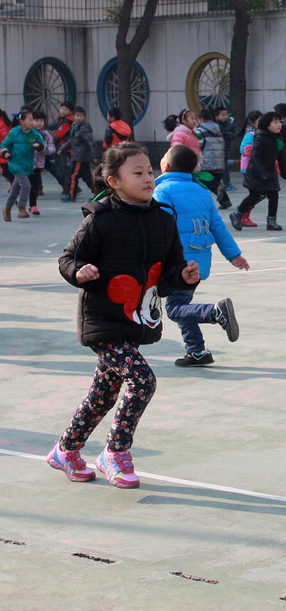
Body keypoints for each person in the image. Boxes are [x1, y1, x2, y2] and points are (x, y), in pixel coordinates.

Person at [49, 142, 200, 488]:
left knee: (103, 392)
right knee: (143, 380)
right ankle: (115, 452)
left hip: (136, 318)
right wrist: (78, 271)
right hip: (102, 320)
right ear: (113, 181)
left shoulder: (163, 219)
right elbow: (67, 258)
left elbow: (170, 269)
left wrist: (183, 276)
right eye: (138, 173)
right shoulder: (100, 220)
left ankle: (66, 450)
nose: (148, 178)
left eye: (150, 171)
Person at [153, 145, 248, 366]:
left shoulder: (163, 191)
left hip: (179, 264)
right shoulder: (203, 192)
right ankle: (197, 351)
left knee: (175, 309)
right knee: (183, 305)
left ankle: (215, 312)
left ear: (165, 166)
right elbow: (218, 227)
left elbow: (162, 227)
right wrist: (233, 255)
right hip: (200, 261)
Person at [229, 111, 286, 232]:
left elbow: (282, 159)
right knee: (254, 196)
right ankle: (237, 214)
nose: (279, 125)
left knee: (274, 195)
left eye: (279, 122)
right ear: (267, 125)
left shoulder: (277, 138)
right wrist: (262, 173)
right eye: (275, 122)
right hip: (256, 173)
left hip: (270, 172)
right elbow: (255, 157)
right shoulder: (260, 137)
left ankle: (271, 221)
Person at [1, 108, 45, 221]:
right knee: (26, 186)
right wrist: (5, 152)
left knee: (15, 189)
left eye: (33, 120)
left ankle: (6, 208)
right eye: (30, 120)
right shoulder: (14, 132)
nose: (32, 122)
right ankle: (22, 208)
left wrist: (40, 146)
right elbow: (4, 145)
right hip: (16, 164)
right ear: (22, 121)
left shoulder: (34, 133)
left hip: (28, 165)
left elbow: (43, 145)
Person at [195, 108, 231, 209]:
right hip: (219, 163)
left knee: (202, 180)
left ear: (201, 119)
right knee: (215, 184)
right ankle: (225, 202)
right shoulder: (217, 129)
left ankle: (201, 205)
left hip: (207, 163)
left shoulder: (200, 131)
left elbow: (198, 146)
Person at [61, 106, 94, 201]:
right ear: (73, 117)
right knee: (87, 177)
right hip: (77, 156)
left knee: (73, 176)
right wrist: (62, 148)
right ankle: (98, 192)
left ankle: (71, 195)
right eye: (77, 116)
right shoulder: (74, 126)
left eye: (81, 116)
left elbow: (90, 141)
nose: (79, 118)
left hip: (80, 157)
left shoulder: (84, 128)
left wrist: (95, 154)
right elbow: (70, 141)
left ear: (84, 117)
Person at [238, 110, 262, 227]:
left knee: (260, 194)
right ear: (252, 122)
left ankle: (243, 210)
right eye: (260, 119)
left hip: (257, 167)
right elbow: (243, 149)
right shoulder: (251, 133)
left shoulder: (260, 133)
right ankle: (243, 213)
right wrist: (257, 149)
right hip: (249, 168)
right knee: (256, 194)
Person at [28, 110, 55, 215]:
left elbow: (52, 148)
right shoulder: (28, 134)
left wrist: (44, 148)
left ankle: (33, 206)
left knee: (35, 185)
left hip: (38, 165)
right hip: (26, 164)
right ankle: (20, 201)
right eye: (36, 120)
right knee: (24, 184)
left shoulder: (46, 135)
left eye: (41, 120)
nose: (39, 123)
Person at [214, 107, 237, 192]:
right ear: (217, 116)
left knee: (224, 167)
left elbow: (235, 133)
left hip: (226, 149)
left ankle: (225, 184)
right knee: (222, 167)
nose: (225, 116)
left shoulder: (230, 124)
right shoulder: (215, 125)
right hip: (216, 150)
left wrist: (229, 135)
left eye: (226, 114)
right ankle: (225, 184)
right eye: (222, 115)